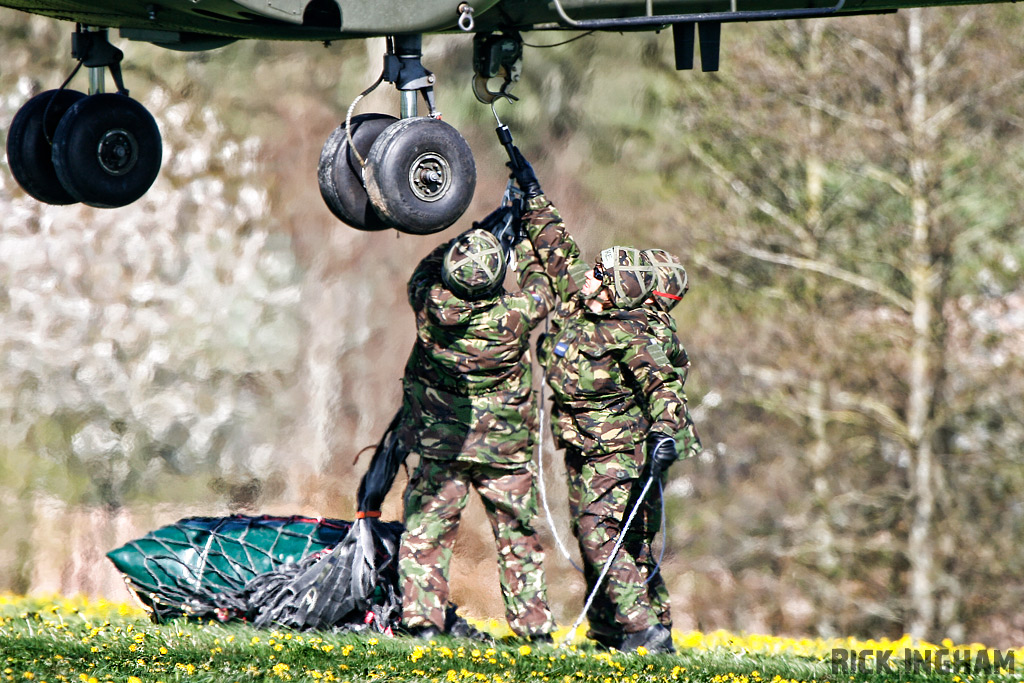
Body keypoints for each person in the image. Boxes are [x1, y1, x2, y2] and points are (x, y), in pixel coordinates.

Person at [508, 150, 690, 654]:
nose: (588, 276)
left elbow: (664, 387)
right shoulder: (580, 297)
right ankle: (622, 630)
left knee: (599, 530)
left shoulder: (633, 332)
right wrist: (531, 193)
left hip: (625, 451)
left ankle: (641, 631)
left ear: (615, 292)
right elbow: (556, 247)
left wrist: (664, 434)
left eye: (600, 276)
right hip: (583, 447)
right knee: (608, 536)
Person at [394, 221, 557, 642]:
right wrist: (519, 239)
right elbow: (544, 284)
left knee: (426, 531)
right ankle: (534, 630)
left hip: (443, 443)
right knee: (517, 537)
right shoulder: (517, 315)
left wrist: (464, 237)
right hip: (505, 448)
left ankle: (423, 623)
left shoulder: (428, 304)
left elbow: (425, 270)